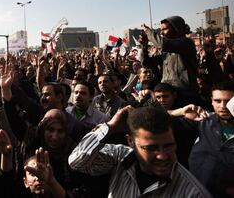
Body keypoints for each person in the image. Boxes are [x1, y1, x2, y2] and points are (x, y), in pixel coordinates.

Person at [68, 106, 211, 197]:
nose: (162, 156)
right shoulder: (120, 157)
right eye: (151, 148)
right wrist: (110, 126)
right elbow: (77, 160)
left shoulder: (193, 193)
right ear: (130, 141)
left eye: (168, 146)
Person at [189, 81, 234, 197]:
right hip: (198, 190)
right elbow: (162, 121)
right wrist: (178, 112)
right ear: (211, 101)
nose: (223, 106)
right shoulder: (203, 121)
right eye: (218, 101)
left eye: (229, 101)